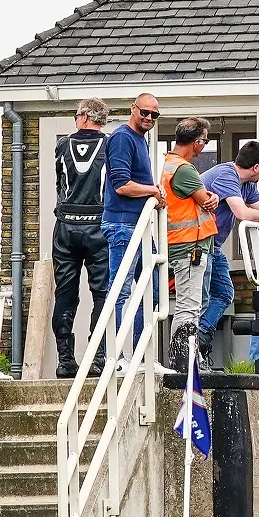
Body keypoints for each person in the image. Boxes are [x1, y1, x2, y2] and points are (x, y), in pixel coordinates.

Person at [49, 98, 112, 379]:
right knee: (102, 293)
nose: (75, 119)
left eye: (76, 115)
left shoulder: (63, 144)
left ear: (85, 117)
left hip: (65, 226)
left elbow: (60, 183)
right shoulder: (110, 144)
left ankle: (65, 360)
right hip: (99, 224)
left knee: (65, 293)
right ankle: (97, 359)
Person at [156, 118, 220, 371]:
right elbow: (206, 200)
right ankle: (185, 362)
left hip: (183, 246)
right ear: (197, 142)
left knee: (188, 305)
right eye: (204, 140)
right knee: (189, 306)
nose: (203, 146)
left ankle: (186, 359)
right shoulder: (183, 170)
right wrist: (211, 197)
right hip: (189, 247)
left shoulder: (169, 165)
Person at [201, 141, 259, 359]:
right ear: (256, 168)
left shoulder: (247, 185)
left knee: (224, 293)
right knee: (202, 298)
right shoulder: (226, 175)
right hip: (197, 243)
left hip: (213, 245)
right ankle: (193, 342)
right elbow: (242, 213)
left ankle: (201, 337)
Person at [102, 93, 162, 340]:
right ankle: (110, 357)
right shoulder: (122, 138)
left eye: (154, 115)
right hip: (122, 224)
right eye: (144, 112)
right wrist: (154, 191)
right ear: (133, 109)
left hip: (139, 225)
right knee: (119, 290)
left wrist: (153, 196)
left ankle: (141, 352)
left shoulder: (140, 139)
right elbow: (121, 185)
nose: (149, 118)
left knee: (155, 290)